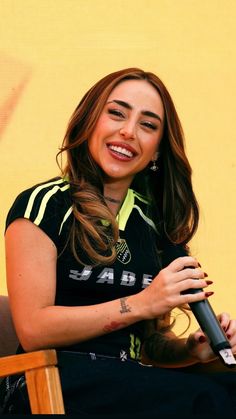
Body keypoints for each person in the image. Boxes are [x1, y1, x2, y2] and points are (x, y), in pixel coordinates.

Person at [1, 67, 236, 417]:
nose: (128, 131)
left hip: (127, 378)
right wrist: (143, 302)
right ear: (89, 122)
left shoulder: (153, 224)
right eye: (117, 113)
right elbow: (34, 330)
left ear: (157, 149)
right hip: (50, 380)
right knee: (202, 401)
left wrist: (192, 349)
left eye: (148, 124)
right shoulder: (44, 204)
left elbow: (148, 344)